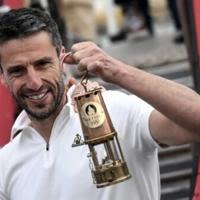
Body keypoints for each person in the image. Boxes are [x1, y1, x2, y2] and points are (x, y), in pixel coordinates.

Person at [0, 7, 200, 200]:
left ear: (62, 59)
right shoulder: (6, 162)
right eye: (17, 70)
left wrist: (118, 72)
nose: (34, 82)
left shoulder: (116, 110)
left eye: (43, 64)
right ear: (2, 76)